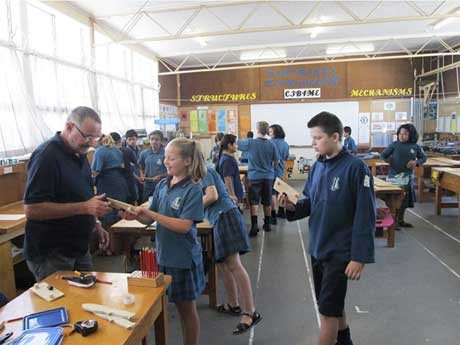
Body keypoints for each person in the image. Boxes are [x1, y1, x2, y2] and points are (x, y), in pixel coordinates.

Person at [279, 111, 375, 345]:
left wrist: (359, 257)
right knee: (331, 305)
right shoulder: (317, 167)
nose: (313, 143)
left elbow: (366, 215)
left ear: (335, 136)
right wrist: (291, 207)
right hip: (319, 246)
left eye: (317, 138)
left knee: (327, 313)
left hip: (339, 252)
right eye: (312, 138)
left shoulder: (356, 169)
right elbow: (311, 202)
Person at [120, 138, 206, 345]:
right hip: (163, 256)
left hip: (183, 259)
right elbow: (149, 218)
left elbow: (184, 226)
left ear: (187, 161)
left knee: (186, 310)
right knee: (158, 306)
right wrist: (136, 216)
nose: (165, 162)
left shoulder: (192, 189)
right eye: (165, 157)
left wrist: (152, 214)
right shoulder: (162, 185)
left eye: (171, 158)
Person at [23, 106, 111, 282]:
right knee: (62, 306)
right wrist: (84, 208)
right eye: (87, 136)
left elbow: (84, 196)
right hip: (52, 253)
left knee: (88, 300)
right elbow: (32, 209)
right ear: (69, 127)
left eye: (95, 138)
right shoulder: (47, 156)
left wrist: (95, 223)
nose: (91, 143)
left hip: (78, 248)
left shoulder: (79, 153)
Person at [201, 166, 261, 335]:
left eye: (172, 158)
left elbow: (212, 196)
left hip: (224, 215)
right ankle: (233, 304)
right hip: (216, 217)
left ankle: (251, 312)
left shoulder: (202, 171)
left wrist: (188, 207)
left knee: (234, 264)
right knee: (221, 263)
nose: (168, 161)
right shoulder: (192, 175)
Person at [238, 121, 279, 236]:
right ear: (267, 131)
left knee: (254, 201)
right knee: (267, 200)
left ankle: (254, 225)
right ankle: (267, 224)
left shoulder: (250, 143)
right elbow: (276, 162)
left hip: (254, 176)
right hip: (268, 176)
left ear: (257, 130)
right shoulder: (272, 144)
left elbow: (236, 144)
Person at [381, 123, 426, 227]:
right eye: (400, 133)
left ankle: (400, 220)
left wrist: (416, 162)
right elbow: (383, 155)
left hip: (407, 177)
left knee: (405, 201)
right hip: (394, 177)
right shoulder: (394, 145)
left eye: (405, 134)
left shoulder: (415, 147)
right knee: (394, 200)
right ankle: (393, 221)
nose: (402, 136)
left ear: (411, 135)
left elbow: (423, 158)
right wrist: (388, 160)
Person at [91, 133, 129, 227]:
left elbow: (96, 171)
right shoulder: (117, 150)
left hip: (108, 183)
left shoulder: (99, 151)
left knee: (107, 210)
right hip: (120, 182)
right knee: (119, 210)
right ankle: (121, 237)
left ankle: (110, 238)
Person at [269, 124, 290, 224]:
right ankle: (281, 211)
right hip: (280, 171)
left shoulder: (270, 143)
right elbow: (286, 157)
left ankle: (273, 214)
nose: (269, 134)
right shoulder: (285, 144)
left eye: (271, 132)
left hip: (270, 171)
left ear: (275, 132)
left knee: (272, 193)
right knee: (281, 191)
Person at [138, 130, 167, 203]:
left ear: (161, 141)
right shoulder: (144, 153)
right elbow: (140, 166)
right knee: (146, 204)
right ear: (149, 140)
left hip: (162, 185)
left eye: (157, 139)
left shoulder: (166, 153)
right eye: (152, 139)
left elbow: (171, 171)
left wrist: (161, 176)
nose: (154, 141)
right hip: (148, 186)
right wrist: (142, 174)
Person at [216, 134, 244, 206]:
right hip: (231, 196)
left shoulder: (226, 157)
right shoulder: (227, 160)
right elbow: (227, 178)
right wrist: (232, 195)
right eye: (235, 144)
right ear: (229, 145)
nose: (237, 146)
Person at [125, 129, 143, 205]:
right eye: (129, 139)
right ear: (126, 140)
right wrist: (137, 178)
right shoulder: (125, 152)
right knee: (134, 198)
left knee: (141, 197)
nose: (132, 141)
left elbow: (141, 165)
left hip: (141, 177)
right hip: (131, 178)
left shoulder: (140, 150)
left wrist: (142, 175)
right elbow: (127, 169)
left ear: (137, 139)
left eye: (134, 139)